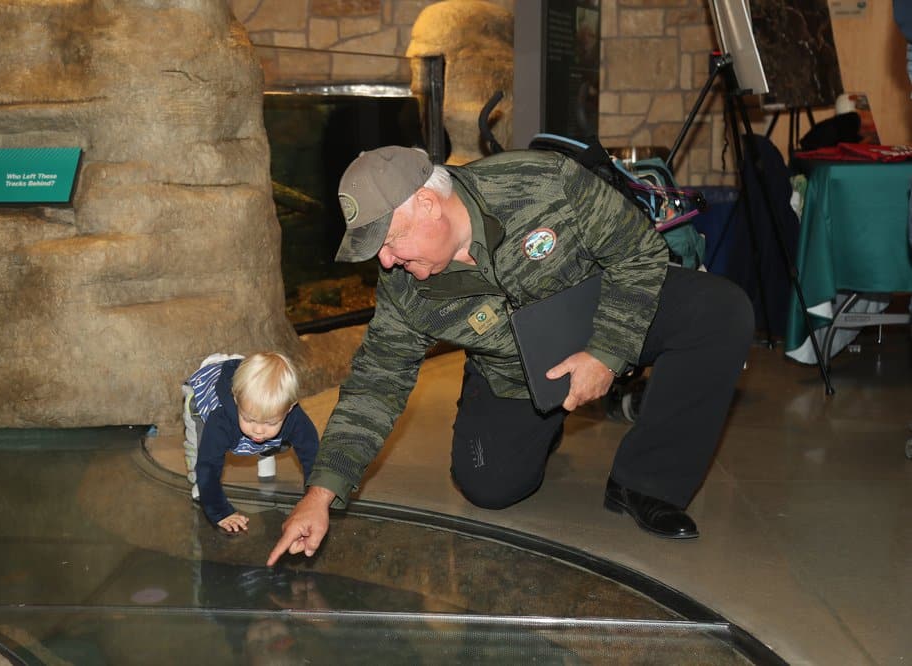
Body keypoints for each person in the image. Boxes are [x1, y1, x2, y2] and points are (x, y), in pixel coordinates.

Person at [267, 146, 753, 564]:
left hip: (607, 314)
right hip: (512, 369)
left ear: (428, 204)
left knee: (720, 311)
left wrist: (607, 352)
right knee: (489, 487)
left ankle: (646, 482)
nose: (387, 262)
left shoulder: (545, 183)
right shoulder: (402, 288)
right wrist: (320, 494)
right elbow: (377, 382)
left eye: (390, 241)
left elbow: (639, 252)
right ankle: (541, 417)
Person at [184, 352, 319, 532]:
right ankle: (199, 484)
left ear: (290, 408)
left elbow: (312, 454)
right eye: (249, 420)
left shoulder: (294, 417)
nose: (258, 429)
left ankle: (265, 451)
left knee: (280, 436)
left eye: (270, 422)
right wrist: (220, 511)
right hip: (200, 400)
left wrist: (315, 499)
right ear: (235, 400)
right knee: (199, 448)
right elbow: (208, 464)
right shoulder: (220, 420)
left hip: (257, 414)